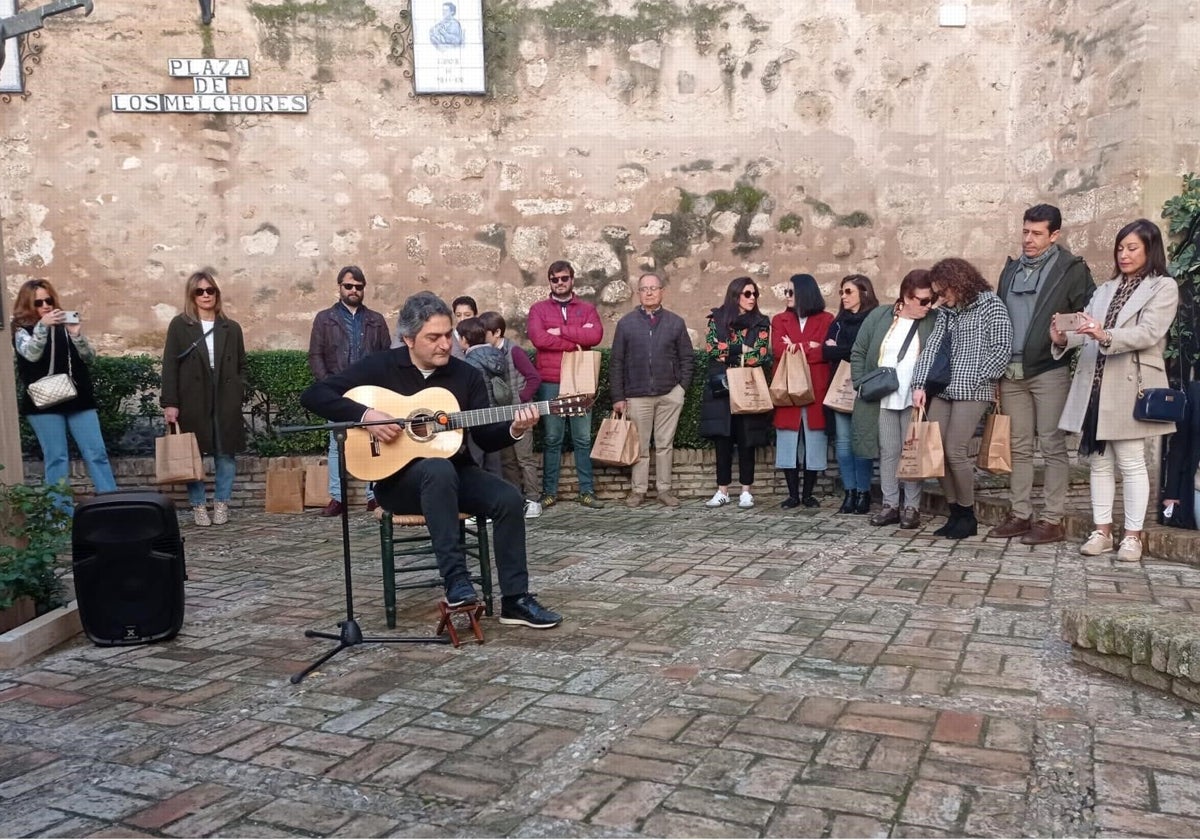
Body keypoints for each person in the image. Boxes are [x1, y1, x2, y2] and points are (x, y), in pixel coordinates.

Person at [300, 291, 562, 628]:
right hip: (397, 483)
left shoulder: (465, 375)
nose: (444, 345)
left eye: (447, 335)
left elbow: (484, 437)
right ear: (408, 338)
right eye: (433, 337)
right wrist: (366, 416)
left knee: (509, 498)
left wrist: (514, 427)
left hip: (456, 471)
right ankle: (457, 582)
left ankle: (515, 600)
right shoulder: (381, 366)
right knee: (436, 470)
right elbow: (315, 395)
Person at [1053, 219, 1179, 563]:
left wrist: (1105, 336)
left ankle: (1133, 536)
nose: (1124, 254)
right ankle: (1102, 530)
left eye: (1132, 248)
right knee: (1099, 463)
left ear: (1150, 249)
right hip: (1095, 384)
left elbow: (1149, 333)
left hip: (1131, 384)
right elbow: (1088, 327)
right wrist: (1065, 336)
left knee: (1131, 462)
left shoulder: (1163, 287)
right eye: (1120, 248)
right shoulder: (1107, 288)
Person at [988, 204, 1095, 544]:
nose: (1028, 240)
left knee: (1051, 446)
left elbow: (1089, 315)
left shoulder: (1072, 269)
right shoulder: (1010, 270)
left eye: (1036, 233)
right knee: (1018, 447)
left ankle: (1051, 519)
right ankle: (1020, 514)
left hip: (1049, 368)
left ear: (1054, 235)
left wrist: (1065, 337)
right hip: (1011, 371)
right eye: (1025, 232)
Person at [912, 259, 1013, 539]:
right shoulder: (946, 312)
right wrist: (919, 384)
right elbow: (932, 348)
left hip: (974, 388)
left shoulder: (989, 304)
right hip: (944, 387)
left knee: (955, 449)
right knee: (937, 449)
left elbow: (1002, 345)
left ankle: (968, 515)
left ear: (959, 282)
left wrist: (982, 376)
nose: (940, 298)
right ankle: (955, 512)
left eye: (943, 291)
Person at [11, 279, 118, 512]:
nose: (46, 306)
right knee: (56, 458)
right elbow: (31, 354)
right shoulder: (21, 330)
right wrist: (42, 327)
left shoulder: (64, 325)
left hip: (78, 398)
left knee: (96, 452)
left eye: (49, 300)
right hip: (42, 402)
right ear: (28, 304)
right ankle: (60, 516)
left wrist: (77, 335)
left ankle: (113, 505)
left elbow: (89, 358)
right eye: (39, 302)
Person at [850, 269, 939, 529]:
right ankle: (890, 505)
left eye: (930, 300)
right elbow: (859, 350)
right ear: (907, 297)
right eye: (923, 300)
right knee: (888, 452)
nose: (928, 305)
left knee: (911, 453)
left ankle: (911, 507)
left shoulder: (932, 320)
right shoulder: (880, 315)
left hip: (915, 398)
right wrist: (859, 383)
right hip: (883, 397)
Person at [162, 271, 247, 527]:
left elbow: (242, 364)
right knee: (191, 453)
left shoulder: (231, 327)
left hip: (224, 397)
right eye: (200, 291)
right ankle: (199, 505)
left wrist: (238, 390)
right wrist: (170, 402)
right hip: (192, 397)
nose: (206, 295)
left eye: (211, 290)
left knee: (225, 453)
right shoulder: (180, 325)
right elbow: (170, 365)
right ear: (192, 295)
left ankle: (222, 503)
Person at [307, 265, 393, 516]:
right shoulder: (325, 318)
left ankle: (374, 496)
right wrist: (327, 385)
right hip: (338, 390)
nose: (354, 290)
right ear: (339, 288)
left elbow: (386, 355)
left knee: (375, 440)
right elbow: (316, 354)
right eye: (349, 286)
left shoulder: (376, 320)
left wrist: (382, 386)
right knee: (337, 443)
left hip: (371, 390)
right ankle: (338, 497)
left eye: (359, 286)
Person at [610, 273, 695, 508]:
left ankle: (664, 490)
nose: (648, 292)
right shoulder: (626, 324)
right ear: (638, 293)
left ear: (662, 292)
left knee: (665, 444)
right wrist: (618, 396)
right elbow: (616, 362)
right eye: (644, 289)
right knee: (640, 446)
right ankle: (638, 491)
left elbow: (687, 358)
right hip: (637, 396)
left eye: (653, 288)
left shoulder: (675, 323)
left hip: (669, 394)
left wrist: (681, 390)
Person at [528, 260, 605, 509]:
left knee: (582, 438)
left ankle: (586, 491)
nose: (559, 283)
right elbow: (538, 338)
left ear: (572, 279)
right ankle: (549, 492)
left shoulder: (586, 308)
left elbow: (595, 336)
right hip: (551, 382)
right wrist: (574, 339)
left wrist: (559, 332)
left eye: (564, 278)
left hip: (581, 381)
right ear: (549, 281)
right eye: (554, 279)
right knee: (553, 438)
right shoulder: (538, 309)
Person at [699, 276, 773, 509]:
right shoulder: (717, 318)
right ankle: (722, 490)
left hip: (748, 386)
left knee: (746, 438)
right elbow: (712, 348)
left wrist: (732, 353)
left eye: (755, 294)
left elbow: (760, 354)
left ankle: (745, 491)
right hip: (722, 386)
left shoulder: (761, 322)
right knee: (723, 438)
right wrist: (742, 349)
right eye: (747, 294)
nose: (752, 298)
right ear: (735, 295)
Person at [771, 273, 834, 508]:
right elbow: (778, 349)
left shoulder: (827, 319)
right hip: (788, 388)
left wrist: (796, 347)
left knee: (814, 441)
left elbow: (824, 352)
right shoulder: (779, 320)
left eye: (790, 292)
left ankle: (808, 494)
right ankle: (792, 494)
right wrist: (810, 346)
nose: (786, 296)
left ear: (804, 293)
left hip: (816, 389)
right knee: (788, 440)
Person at [823, 274, 879, 514]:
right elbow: (827, 352)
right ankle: (850, 491)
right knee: (844, 444)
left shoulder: (875, 320)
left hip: (864, 387)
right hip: (839, 388)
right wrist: (848, 351)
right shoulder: (838, 322)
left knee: (862, 442)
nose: (843, 297)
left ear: (863, 293)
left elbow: (871, 352)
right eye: (842, 292)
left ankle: (864, 492)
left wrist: (843, 350)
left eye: (849, 292)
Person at [479, 310, 543, 518]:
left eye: (485, 333)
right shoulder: (485, 354)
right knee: (507, 461)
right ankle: (515, 498)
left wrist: (521, 399)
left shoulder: (514, 351)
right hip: (501, 416)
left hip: (521, 414)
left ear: (496, 332)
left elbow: (533, 377)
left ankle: (533, 500)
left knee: (525, 458)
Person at [457, 315, 510, 478]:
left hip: (477, 418)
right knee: (494, 464)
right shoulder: (497, 354)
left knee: (477, 463)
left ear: (465, 339)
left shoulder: (469, 362)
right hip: (496, 416)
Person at [449, 295, 477, 360]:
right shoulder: (449, 338)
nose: (462, 319)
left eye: (467, 315)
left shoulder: (482, 336)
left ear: (475, 315)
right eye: (458, 315)